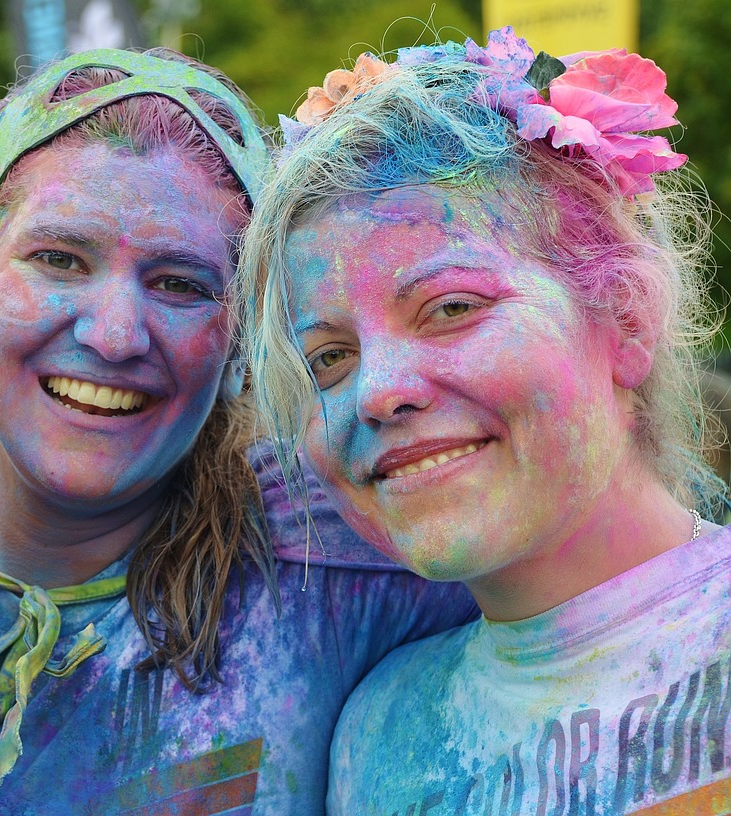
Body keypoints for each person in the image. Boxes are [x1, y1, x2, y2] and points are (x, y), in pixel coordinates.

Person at [0, 48, 477, 814]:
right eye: (59, 260)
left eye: (180, 283)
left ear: (242, 333)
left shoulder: (346, 567)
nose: (116, 335)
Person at [239, 26, 731, 813]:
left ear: (626, 319)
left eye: (451, 307)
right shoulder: (377, 735)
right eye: (328, 358)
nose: (376, 392)